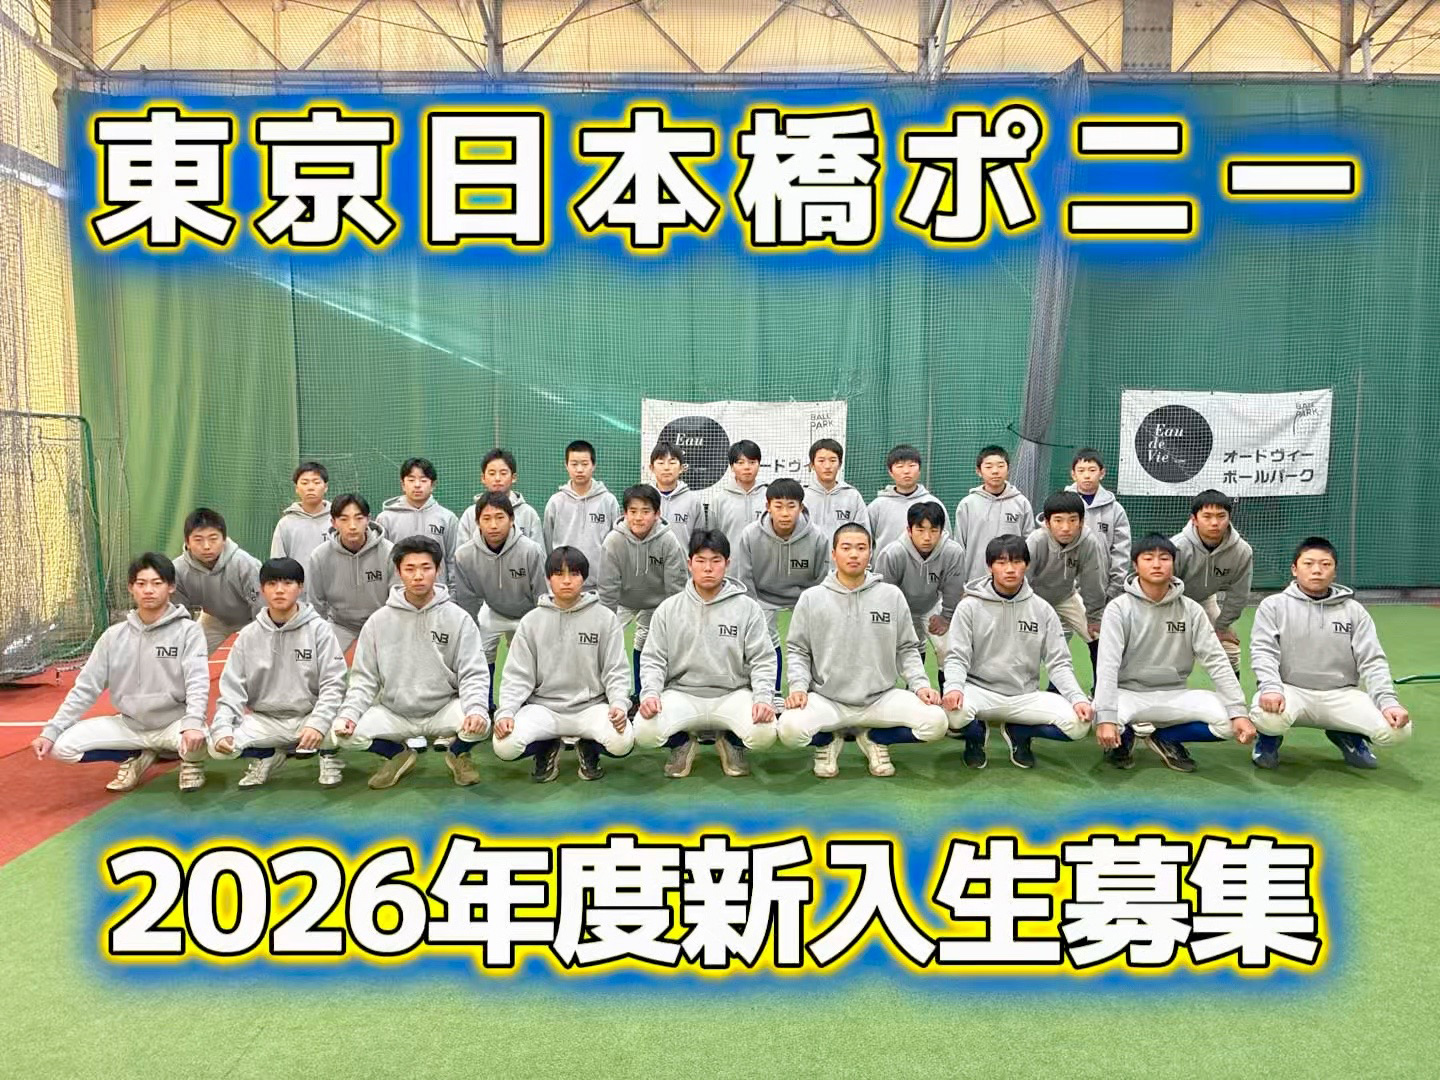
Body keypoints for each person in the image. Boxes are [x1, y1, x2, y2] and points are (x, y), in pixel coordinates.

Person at [778, 524, 947, 778]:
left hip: (881, 698)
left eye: (861, 548)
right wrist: (799, 688)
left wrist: (920, 685)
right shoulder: (812, 598)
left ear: (870, 553)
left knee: (936, 722)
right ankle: (828, 741)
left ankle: (875, 738)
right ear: (834, 554)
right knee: (788, 729)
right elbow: (798, 650)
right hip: (827, 700)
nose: (854, 554)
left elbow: (906, 648)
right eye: (846, 548)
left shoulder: (891, 596)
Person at [32, 553, 210, 792]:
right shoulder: (113, 637)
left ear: (171, 587)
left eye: (157, 583)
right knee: (59, 746)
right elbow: (85, 689)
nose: (148, 590)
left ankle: (190, 763)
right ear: (131, 588)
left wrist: (193, 722)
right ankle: (135, 755)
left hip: (173, 724)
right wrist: (50, 731)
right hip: (129, 725)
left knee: (203, 739)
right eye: (141, 583)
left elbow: (197, 681)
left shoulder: (189, 631)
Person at [333, 537, 490, 789]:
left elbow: (473, 673)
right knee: (343, 733)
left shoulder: (458, 618)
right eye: (410, 568)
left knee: (481, 722)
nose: (418, 576)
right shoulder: (378, 622)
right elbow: (364, 680)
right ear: (398, 571)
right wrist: (349, 715)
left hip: (443, 709)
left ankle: (458, 752)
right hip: (395, 712)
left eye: (426, 568)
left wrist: (475, 709)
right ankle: (397, 755)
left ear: (438, 570)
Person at [1093, 534, 1255, 773]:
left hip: (1175, 693)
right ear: (1136, 566)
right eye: (1148, 558)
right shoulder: (1118, 609)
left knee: (1229, 720)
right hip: (1128, 694)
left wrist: (1238, 711)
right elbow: (1107, 664)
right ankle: (1123, 739)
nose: (1157, 564)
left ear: (1174, 564)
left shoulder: (1192, 610)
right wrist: (1106, 717)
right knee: (1100, 714)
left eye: (1164, 558)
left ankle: (1165, 738)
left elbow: (1216, 661)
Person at [1249, 536, 1411, 770]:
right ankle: (1268, 739)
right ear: (1294, 569)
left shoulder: (1354, 611)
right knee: (1267, 716)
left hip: (1341, 695)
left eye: (1325, 564)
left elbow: (1373, 660)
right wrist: (1271, 688)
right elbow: (1264, 652)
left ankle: (1345, 734)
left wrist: (1388, 703)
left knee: (1398, 731)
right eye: (1308, 564)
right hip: (1291, 692)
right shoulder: (1273, 605)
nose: (1317, 570)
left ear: (1334, 571)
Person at [634, 530, 778, 778]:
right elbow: (653, 660)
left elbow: (762, 660)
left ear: (727, 564)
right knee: (644, 730)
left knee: (765, 733)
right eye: (700, 561)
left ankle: (731, 743)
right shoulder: (668, 609)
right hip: (682, 694)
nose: (708, 568)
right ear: (690, 564)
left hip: (732, 694)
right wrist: (650, 694)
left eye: (716, 560)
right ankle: (682, 744)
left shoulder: (748, 608)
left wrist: (763, 698)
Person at [941, 536, 1094, 769]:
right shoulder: (969, 606)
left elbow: (1059, 663)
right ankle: (975, 738)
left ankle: (1020, 732)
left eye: (1016, 562)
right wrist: (953, 687)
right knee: (951, 713)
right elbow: (956, 656)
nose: (1010, 569)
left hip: (1025, 695)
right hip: (979, 692)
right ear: (989, 566)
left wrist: (1078, 698)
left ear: (1027, 565)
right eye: (1001, 562)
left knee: (1079, 725)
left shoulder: (1042, 610)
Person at [492, 547, 633, 782]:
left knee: (622, 741)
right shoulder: (531, 622)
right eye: (558, 574)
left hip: (591, 707)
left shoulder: (605, 619)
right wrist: (507, 712)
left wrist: (618, 704)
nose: (566, 581)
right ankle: (547, 746)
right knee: (504, 745)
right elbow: (517, 675)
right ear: (548, 578)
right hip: (543, 709)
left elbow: (615, 670)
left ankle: (588, 747)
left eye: (574, 574)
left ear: (584, 578)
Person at [209, 558, 348, 788]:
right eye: (272, 584)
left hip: (310, 714)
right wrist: (223, 728)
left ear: (300, 587)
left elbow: (334, 683)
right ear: (262, 589)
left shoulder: (319, 630)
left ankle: (328, 757)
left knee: (345, 727)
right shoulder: (248, 636)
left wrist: (318, 722)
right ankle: (267, 756)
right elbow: (232, 690)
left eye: (288, 583)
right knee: (216, 746)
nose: (280, 590)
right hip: (266, 720)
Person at [730, 478, 829, 702]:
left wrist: (814, 609)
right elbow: (745, 578)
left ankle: (812, 690)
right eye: (778, 506)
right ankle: (771, 692)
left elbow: (821, 580)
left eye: (791, 506)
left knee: (812, 638)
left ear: (801, 507)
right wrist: (753, 610)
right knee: (764, 636)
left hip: (804, 596)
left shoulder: (817, 537)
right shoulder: (750, 535)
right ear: (768, 506)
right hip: (763, 596)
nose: (785, 513)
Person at [450, 491, 546, 707]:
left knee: (531, 657)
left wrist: (538, 629)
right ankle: (484, 704)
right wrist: (470, 631)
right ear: (477, 522)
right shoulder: (464, 555)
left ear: (512, 520)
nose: (493, 525)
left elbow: (542, 594)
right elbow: (467, 599)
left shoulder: (531, 551)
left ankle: (528, 704)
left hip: (528, 613)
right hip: (492, 610)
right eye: (486, 518)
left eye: (500, 517)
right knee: (478, 652)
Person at [597, 484, 688, 702]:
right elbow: (608, 587)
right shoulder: (613, 541)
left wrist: (672, 621)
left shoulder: (668, 540)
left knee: (646, 644)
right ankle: (607, 694)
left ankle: (642, 694)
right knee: (605, 641)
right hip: (623, 601)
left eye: (646, 511)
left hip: (655, 602)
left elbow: (675, 587)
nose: (638, 517)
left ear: (657, 514)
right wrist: (606, 621)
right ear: (625, 513)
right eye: (633, 511)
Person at [874, 500, 965, 685]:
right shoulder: (892, 554)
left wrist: (946, 617)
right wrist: (896, 623)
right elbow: (883, 595)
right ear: (909, 530)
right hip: (900, 608)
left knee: (948, 650)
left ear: (942, 531)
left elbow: (953, 588)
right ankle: (909, 692)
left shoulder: (953, 552)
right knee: (906, 650)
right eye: (920, 530)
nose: (927, 537)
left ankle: (948, 694)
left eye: (933, 530)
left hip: (932, 604)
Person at [1025, 490, 1108, 681]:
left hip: (1066, 596)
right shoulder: (1036, 541)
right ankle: (1022, 689)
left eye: (1072, 520)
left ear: (1082, 522)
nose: (1066, 527)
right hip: (1034, 599)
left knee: (1097, 636)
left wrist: (1094, 617)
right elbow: (1023, 579)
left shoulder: (1088, 542)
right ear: (1047, 522)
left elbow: (1092, 582)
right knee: (1025, 638)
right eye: (1058, 520)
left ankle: (1100, 689)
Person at [1171, 489, 1252, 675]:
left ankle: (1233, 695)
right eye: (1207, 516)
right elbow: (1164, 589)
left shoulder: (1242, 551)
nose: (1214, 523)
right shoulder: (1177, 547)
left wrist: (1222, 626)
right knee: (1171, 653)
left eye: (1221, 516)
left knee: (1229, 651)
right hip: (1174, 603)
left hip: (1205, 600)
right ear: (1194, 519)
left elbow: (1239, 594)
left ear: (1229, 518)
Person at [306, 493, 394, 653]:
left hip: (383, 627)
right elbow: (316, 604)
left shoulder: (389, 552)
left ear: (368, 519)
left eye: (358, 518)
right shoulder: (320, 556)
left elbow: (397, 598)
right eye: (344, 519)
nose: (352, 526)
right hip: (339, 628)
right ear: (333, 523)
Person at [173, 507, 262, 654]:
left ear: (224, 539)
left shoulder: (244, 563)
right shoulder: (178, 569)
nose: (206, 546)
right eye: (198, 540)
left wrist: (257, 635)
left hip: (249, 620)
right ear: (187, 542)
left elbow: (260, 606)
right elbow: (179, 613)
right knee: (191, 652)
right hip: (214, 620)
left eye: (213, 539)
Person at [954, 445, 1035, 582]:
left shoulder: (1021, 503)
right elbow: (959, 546)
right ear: (978, 471)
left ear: (1008, 469)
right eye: (989, 466)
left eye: (1000, 466)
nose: (995, 471)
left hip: (1012, 582)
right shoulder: (967, 504)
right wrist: (960, 582)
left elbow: (1029, 545)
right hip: (975, 583)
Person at [376, 457, 461, 585]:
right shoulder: (385, 519)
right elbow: (381, 562)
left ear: (433, 485)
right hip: (398, 593)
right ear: (403, 484)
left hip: (437, 593)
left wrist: (451, 593)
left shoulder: (448, 518)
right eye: (411, 480)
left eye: (423, 480)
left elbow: (452, 560)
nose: (417, 485)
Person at [542, 439, 620, 573]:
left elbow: (616, 543)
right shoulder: (555, 502)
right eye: (574, 464)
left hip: (600, 580)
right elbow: (547, 543)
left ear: (593, 465)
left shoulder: (608, 501)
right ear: (566, 465)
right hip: (564, 579)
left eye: (584, 464)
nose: (579, 469)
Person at [1066, 448, 1130, 600]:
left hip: (1104, 590)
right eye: (1081, 470)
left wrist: (1114, 588)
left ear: (1102, 473)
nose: (1087, 475)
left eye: (1092, 470)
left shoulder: (1115, 509)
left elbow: (1121, 551)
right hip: (1066, 591)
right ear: (1073, 474)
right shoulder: (1062, 505)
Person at [867, 444, 950, 553]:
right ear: (890, 472)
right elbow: (865, 541)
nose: (906, 471)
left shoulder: (933, 503)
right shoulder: (877, 506)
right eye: (900, 466)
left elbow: (946, 541)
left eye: (912, 465)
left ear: (919, 470)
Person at [456, 448, 543, 546]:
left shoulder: (528, 514)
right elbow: (461, 553)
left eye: (503, 473)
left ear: (513, 477)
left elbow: (538, 553)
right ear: (483, 478)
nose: (497, 478)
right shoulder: (470, 515)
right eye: (492, 473)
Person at [269, 461, 332, 577]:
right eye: (304, 483)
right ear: (297, 488)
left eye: (316, 482)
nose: (310, 487)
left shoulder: (337, 521)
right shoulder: (286, 524)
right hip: (298, 587)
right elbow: (277, 563)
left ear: (326, 487)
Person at [802, 437, 869, 543]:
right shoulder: (803, 497)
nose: (827, 466)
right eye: (821, 461)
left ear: (840, 464)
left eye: (833, 460)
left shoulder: (852, 496)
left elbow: (863, 533)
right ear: (812, 465)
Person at [704, 439, 768, 539]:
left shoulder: (769, 496)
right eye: (740, 463)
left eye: (752, 462)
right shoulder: (719, 499)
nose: (747, 467)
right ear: (732, 467)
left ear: (759, 465)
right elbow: (713, 538)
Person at [649, 441, 703, 551]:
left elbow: (699, 543)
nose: (666, 468)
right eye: (661, 463)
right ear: (652, 468)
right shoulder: (644, 498)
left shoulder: (693, 501)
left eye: (672, 462)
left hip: (682, 562)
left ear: (681, 468)